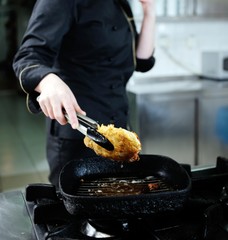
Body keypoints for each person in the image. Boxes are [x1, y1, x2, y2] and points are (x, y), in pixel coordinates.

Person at [13, 0, 156, 188]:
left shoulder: (120, 3)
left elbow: (142, 62)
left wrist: (149, 11)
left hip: (118, 125)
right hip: (76, 130)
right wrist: (48, 81)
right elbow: (28, 57)